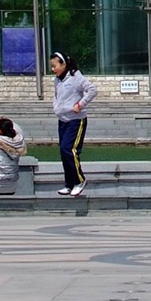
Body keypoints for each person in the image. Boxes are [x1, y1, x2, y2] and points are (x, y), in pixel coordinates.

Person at [50, 51, 99, 196]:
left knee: (69, 150)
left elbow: (92, 90)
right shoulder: (57, 80)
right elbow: (57, 96)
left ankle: (80, 180)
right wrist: (56, 107)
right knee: (63, 152)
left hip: (76, 120)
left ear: (64, 64)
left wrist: (80, 104)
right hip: (63, 120)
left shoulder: (76, 76)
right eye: (51, 67)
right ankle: (69, 184)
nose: (53, 69)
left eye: (55, 66)